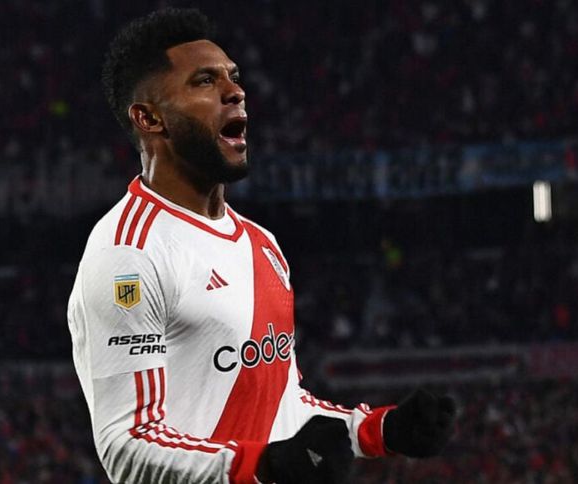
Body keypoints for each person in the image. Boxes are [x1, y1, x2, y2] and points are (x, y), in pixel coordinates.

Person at [67, 8, 455, 483]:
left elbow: (283, 405)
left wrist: (380, 430)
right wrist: (263, 465)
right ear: (149, 118)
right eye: (204, 81)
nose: (235, 91)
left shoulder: (261, 244)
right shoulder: (128, 255)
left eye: (233, 77)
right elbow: (129, 444)